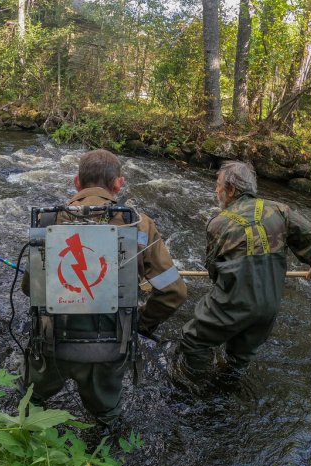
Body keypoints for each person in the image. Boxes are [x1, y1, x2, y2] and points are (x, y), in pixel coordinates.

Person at [22, 149, 187, 428]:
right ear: (118, 184)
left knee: (29, 404)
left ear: (77, 182)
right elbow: (174, 292)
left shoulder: (48, 222)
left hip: (53, 344)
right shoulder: (139, 226)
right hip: (111, 345)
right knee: (107, 422)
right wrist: (141, 324)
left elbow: (30, 289)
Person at [177, 160, 311, 382]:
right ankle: (229, 387)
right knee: (240, 357)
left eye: (218, 184)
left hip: (235, 301)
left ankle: (200, 388)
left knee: (192, 340)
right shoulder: (280, 210)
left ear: (232, 190)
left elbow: (213, 269)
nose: (216, 190)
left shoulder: (218, 223)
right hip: (269, 306)